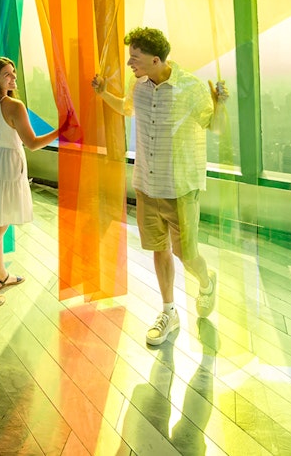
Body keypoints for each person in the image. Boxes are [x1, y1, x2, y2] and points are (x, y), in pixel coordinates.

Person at [92, 27, 228, 345]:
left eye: (135, 59)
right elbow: (127, 107)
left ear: (155, 59)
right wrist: (102, 94)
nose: (130, 64)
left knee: (186, 252)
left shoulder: (191, 88)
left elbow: (216, 127)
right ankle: (169, 311)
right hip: (146, 184)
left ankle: (206, 282)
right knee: (158, 249)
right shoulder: (138, 84)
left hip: (180, 187)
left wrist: (220, 103)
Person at [0, 56, 75, 310]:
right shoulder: (14, 106)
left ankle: (1, 276)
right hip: (6, 169)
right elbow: (33, 143)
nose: (14, 78)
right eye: (7, 74)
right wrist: (62, 130)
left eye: (14, 72)